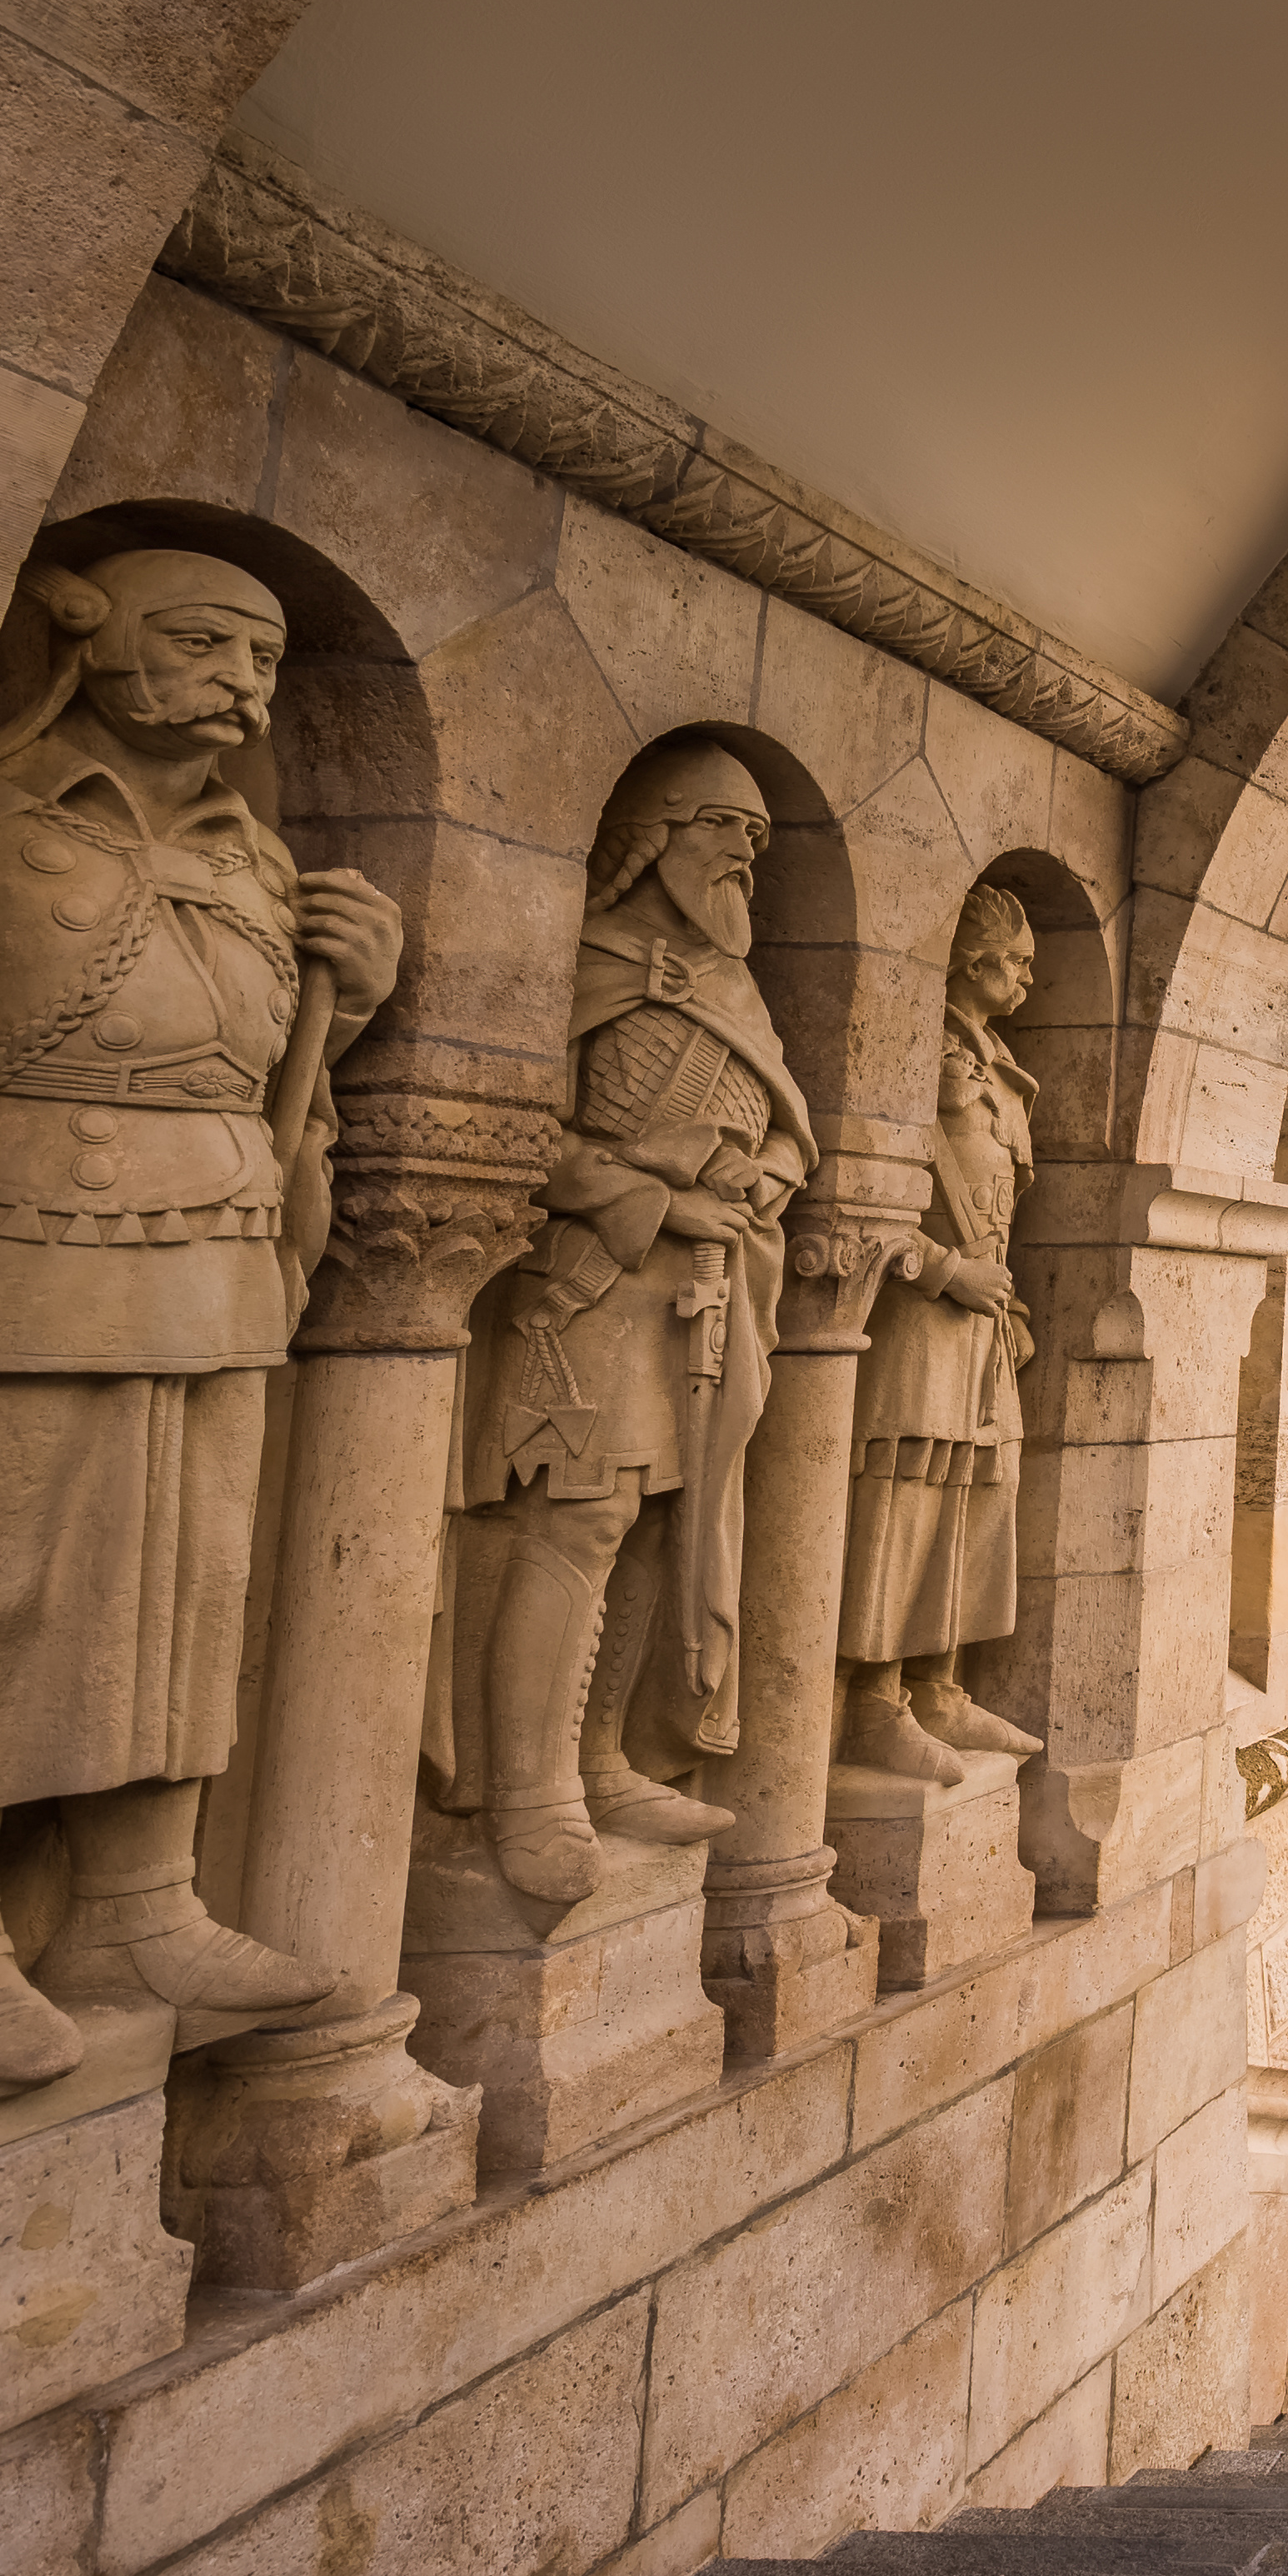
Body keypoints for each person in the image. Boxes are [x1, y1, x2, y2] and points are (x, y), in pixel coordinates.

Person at [0, 551, 399, 2084]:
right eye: (205, 639)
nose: (245, 677)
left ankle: (138, 1898)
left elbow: (271, 1071)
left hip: (210, 1247)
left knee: (180, 1580)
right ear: (91, 642)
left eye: (267, 654)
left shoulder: (261, 858)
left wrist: (346, 996)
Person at [437, 742, 811, 1905]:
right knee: (576, 1524)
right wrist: (653, 1190)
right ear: (656, 835)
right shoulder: (582, 964)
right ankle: (529, 1786)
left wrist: (766, 1178)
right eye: (724, 829)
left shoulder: (735, 985)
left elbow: (792, 1127)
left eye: (758, 839)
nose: (745, 857)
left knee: (661, 1520)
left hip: (702, 1297)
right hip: (587, 1288)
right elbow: (509, 1129)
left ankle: (600, 1760)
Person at [836, 884, 1046, 1785]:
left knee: (975, 1489)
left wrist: (999, 1297)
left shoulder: (997, 1067)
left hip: (983, 1326)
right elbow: (856, 1194)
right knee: (906, 1493)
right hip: (919, 1319)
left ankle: (939, 1688)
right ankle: (874, 1705)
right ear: (969, 960)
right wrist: (946, 1272)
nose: (1030, 979)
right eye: (1017, 961)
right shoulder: (912, 1046)